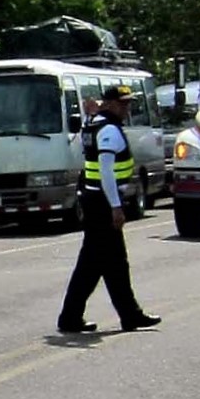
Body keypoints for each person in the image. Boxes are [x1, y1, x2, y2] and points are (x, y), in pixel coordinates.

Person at [56, 85, 162, 334]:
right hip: (102, 203)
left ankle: (78, 316)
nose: (126, 108)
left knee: (97, 264)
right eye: (122, 103)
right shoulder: (109, 130)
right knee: (111, 262)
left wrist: (91, 113)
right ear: (110, 103)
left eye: (128, 104)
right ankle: (126, 315)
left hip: (94, 201)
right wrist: (116, 206)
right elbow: (105, 171)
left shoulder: (94, 123)